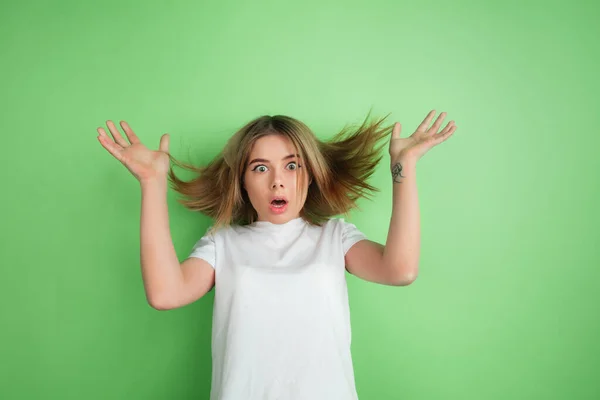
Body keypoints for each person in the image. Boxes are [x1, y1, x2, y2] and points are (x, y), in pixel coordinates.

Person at [96, 110, 457, 400]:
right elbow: (166, 293)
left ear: (310, 174)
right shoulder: (223, 243)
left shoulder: (334, 236)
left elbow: (400, 270)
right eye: (260, 168)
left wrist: (403, 167)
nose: (277, 181)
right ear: (242, 181)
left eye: (292, 165)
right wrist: (152, 182)